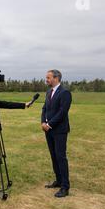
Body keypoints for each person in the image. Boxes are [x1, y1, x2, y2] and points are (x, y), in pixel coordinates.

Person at [41, 69, 72, 198]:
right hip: (48, 131)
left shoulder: (65, 93)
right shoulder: (49, 92)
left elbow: (62, 112)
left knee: (60, 157)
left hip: (59, 131)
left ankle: (65, 187)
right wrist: (43, 122)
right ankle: (58, 181)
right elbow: (44, 108)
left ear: (56, 78)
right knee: (53, 156)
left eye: (48, 78)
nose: (46, 80)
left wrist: (49, 124)